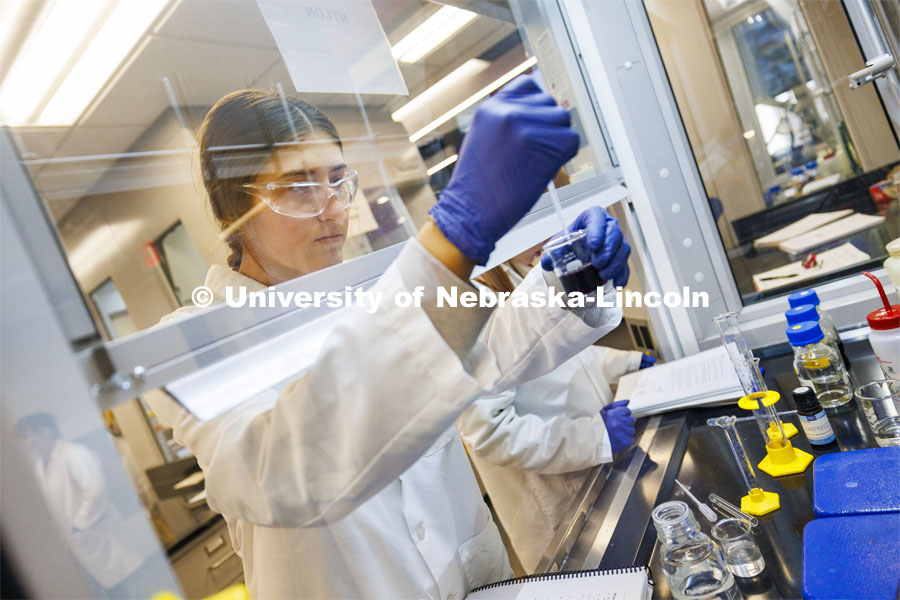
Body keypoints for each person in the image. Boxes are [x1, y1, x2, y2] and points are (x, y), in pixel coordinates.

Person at [146, 75, 632, 598]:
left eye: (337, 180)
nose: (332, 206)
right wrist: (454, 234)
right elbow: (286, 470)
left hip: (472, 578)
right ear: (229, 213)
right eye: (299, 186)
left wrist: (568, 275)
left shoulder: (366, 282)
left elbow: (484, 354)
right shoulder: (187, 348)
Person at [460, 245, 657, 572]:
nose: (542, 242)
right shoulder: (473, 305)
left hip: (596, 474)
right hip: (554, 505)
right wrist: (593, 438)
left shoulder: (519, 274)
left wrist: (625, 362)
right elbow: (488, 432)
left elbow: (572, 358)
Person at [15, 413, 155, 598]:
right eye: (25, 436)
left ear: (49, 431)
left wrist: (79, 524)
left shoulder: (74, 453)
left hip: (99, 535)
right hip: (79, 543)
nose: (31, 440)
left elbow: (96, 491)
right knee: (112, 590)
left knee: (134, 586)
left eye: (36, 433)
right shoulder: (40, 467)